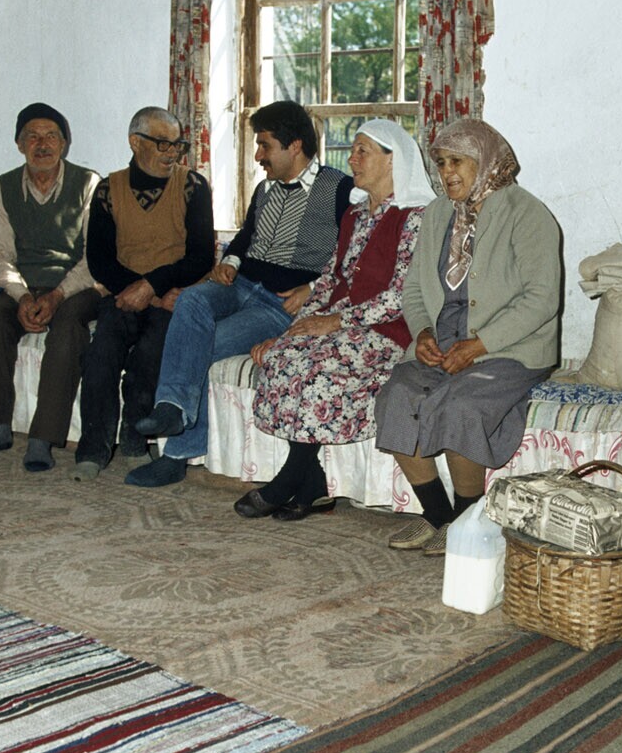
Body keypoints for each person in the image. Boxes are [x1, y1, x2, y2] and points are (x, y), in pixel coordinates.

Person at [126, 100, 354, 488]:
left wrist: (313, 288)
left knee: (201, 347)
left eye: (265, 145)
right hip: (240, 285)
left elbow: (352, 256)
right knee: (191, 299)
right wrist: (230, 261)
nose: (258, 155)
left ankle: (176, 455)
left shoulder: (339, 189)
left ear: (294, 146)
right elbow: (246, 237)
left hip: (279, 303)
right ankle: (172, 408)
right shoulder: (264, 188)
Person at [373, 118, 562, 553]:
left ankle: (467, 521)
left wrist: (480, 345)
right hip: (443, 343)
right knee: (397, 397)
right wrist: (422, 332)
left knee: (462, 405)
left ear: (486, 160)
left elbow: (541, 299)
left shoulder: (525, 213)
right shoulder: (437, 214)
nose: (447, 173)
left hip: (508, 348)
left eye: (457, 161)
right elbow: (414, 288)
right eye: (441, 163)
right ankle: (438, 515)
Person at [235, 119, 435, 521]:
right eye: (353, 150)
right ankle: (311, 487)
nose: (352, 159)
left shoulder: (416, 217)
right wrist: (293, 331)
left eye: (363, 151)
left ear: (392, 160)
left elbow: (400, 297)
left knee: (314, 369)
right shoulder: (355, 215)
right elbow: (328, 280)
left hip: (388, 331)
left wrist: (336, 322)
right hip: (344, 323)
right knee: (281, 357)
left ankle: (288, 481)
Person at [73, 107, 215, 479]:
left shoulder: (193, 186)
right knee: (101, 352)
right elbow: (100, 261)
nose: (173, 153)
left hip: (174, 294)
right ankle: (93, 448)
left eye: (178, 144)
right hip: (124, 293)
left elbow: (201, 257)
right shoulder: (108, 189)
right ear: (135, 142)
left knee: (151, 354)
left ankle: (135, 443)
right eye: (163, 144)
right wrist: (144, 293)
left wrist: (153, 287)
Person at [0, 103, 100, 472]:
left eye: (51, 136)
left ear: (64, 143)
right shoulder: (3, 188)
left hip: (76, 286)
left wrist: (57, 295)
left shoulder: (88, 183)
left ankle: (42, 438)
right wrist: (22, 296)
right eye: (33, 137)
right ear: (20, 145)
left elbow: (93, 258)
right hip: (25, 284)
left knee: (68, 330)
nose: (43, 144)